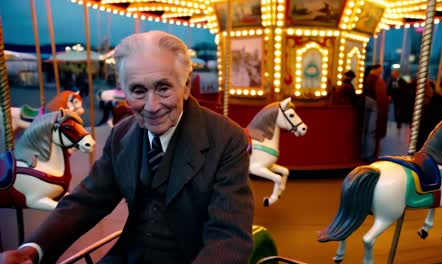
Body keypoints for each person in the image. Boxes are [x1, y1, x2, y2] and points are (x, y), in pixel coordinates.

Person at [0, 31, 254, 264]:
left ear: (186, 86)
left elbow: (228, 237)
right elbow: (88, 200)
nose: (152, 106)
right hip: (130, 256)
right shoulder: (122, 134)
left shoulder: (226, 139)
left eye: (163, 88)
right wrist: (33, 249)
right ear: (124, 91)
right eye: (138, 91)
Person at [361, 64, 388, 162]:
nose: (380, 72)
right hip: (374, 103)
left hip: (366, 101)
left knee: (365, 130)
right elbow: (381, 95)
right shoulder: (377, 81)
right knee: (371, 131)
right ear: (376, 70)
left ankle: (363, 153)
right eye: (380, 70)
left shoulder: (366, 78)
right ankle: (369, 155)